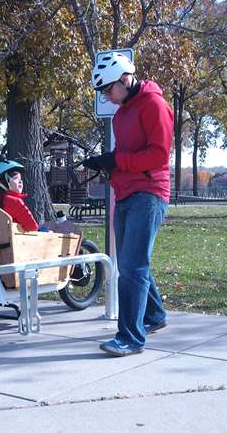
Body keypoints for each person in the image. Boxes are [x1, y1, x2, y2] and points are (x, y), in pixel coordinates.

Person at [84, 52, 173, 357]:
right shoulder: (121, 114)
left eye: (108, 90)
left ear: (125, 78)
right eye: (102, 93)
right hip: (125, 193)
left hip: (149, 194)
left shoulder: (154, 105)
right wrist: (105, 164)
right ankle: (154, 315)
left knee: (133, 267)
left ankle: (130, 338)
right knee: (130, 264)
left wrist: (117, 159)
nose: (106, 97)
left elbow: (159, 156)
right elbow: (127, 157)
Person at [0, 159, 39, 232]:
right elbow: (32, 227)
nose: (20, 181)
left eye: (21, 178)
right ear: (3, 183)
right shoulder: (15, 202)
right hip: (15, 241)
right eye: (16, 178)